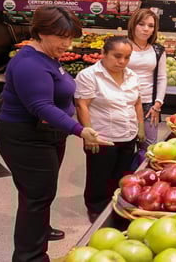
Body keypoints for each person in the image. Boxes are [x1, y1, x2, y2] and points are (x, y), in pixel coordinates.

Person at [0, 5, 112, 262]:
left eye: (70, 37)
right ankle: (30, 256)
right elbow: (41, 107)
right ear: (41, 32)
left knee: (43, 191)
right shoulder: (28, 63)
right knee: (36, 196)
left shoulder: (48, 56)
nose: (67, 43)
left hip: (45, 136)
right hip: (25, 137)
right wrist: (80, 129)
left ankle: (41, 229)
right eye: (61, 36)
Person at [74, 36, 145, 222]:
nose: (122, 61)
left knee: (121, 174)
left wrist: (140, 127)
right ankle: (96, 208)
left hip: (128, 134)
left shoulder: (132, 76)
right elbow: (82, 105)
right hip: (102, 136)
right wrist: (88, 133)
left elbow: (137, 103)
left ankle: (115, 204)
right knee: (99, 175)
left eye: (127, 57)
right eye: (117, 56)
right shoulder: (89, 75)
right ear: (103, 53)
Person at [127, 8, 167, 168]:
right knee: (127, 146)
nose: (146, 29)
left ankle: (142, 182)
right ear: (133, 25)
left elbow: (162, 77)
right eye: (141, 24)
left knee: (149, 148)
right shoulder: (121, 46)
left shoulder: (157, 50)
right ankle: (125, 180)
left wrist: (158, 104)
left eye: (150, 26)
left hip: (150, 106)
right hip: (126, 104)